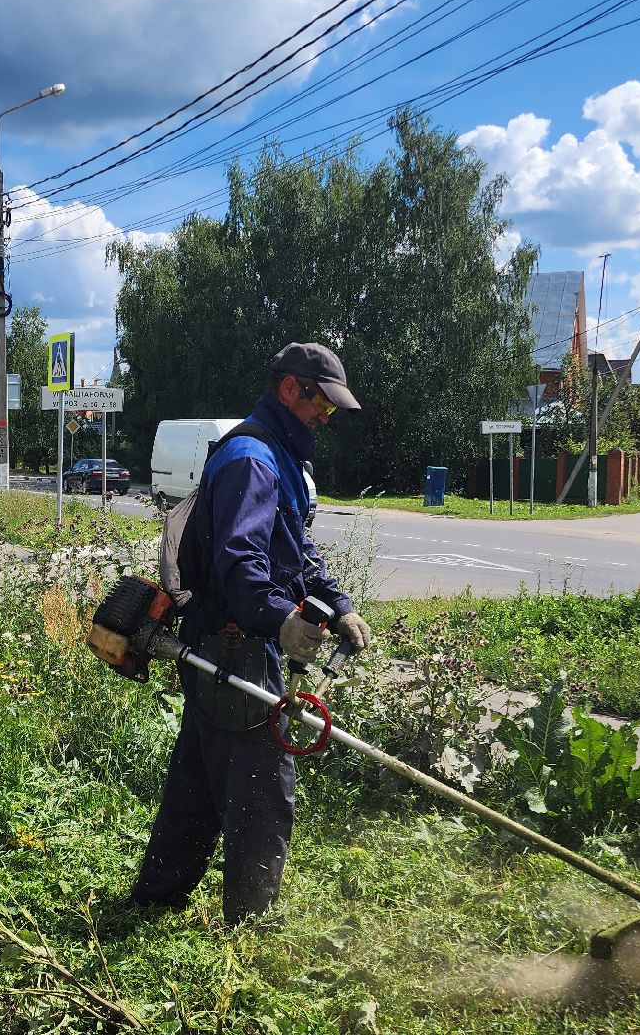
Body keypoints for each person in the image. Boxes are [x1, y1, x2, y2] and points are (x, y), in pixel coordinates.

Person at [130, 341, 374, 925]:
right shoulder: (251, 460)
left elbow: (295, 551)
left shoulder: (276, 456)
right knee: (263, 789)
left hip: (224, 646)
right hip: (235, 648)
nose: (326, 416)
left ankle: (155, 900)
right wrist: (283, 621)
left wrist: (337, 606)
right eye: (323, 404)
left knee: (198, 776)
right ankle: (253, 927)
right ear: (292, 388)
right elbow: (242, 568)